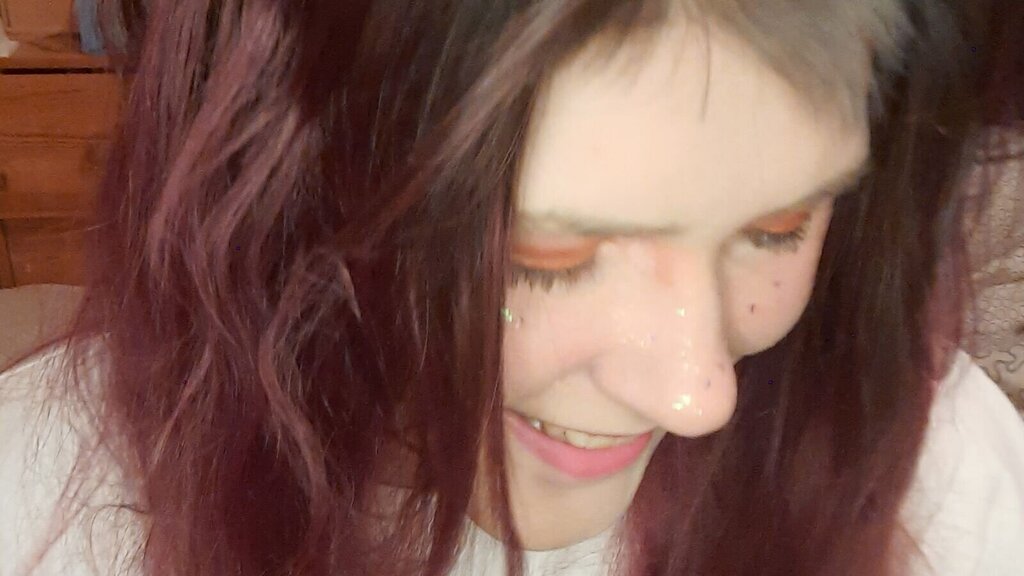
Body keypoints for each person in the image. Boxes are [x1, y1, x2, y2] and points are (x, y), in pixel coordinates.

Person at [2, 1, 1023, 574]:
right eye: (550, 255)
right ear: (275, 189)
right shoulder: (45, 506)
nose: (696, 392)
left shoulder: (934, 462)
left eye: (777, 228)